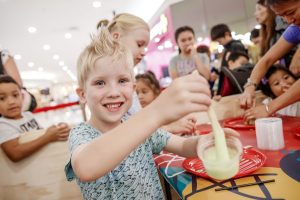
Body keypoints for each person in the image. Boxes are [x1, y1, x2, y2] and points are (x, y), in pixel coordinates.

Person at [64, 25, 238, 200]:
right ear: (82, 94)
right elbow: (86, 167)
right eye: (100, 83)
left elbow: (182, 145)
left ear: (133, 89)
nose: (114, 92)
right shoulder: (81, 134)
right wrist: (156, 112)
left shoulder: (139, 124)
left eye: (122, 80)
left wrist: (203, 142)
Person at [240, 0, 300, 119]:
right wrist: (250, 86)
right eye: (282, 16)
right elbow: (266, 60)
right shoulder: (296, 28)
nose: (289, 20)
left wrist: (269, 108)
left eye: (291, 12)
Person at [0, 75, 70, 162]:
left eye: (15, 95)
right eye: (2, 98)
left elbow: (40, 132)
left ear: (22, 96)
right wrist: (47, 137)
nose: (11, 102)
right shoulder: (3, 124)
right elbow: (15, 153)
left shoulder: (28, 115)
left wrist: (57, 130)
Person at [96, 13, 150, 116]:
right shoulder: (106, 74)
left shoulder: (128, 74)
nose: (143, 52)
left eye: (145, 47)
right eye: (139, 44)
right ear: (116, 37)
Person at [255, 0, 295, 67]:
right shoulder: (266, 33)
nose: (256, 14)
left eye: (259, 9)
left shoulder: (281, 22)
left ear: (270, 8)